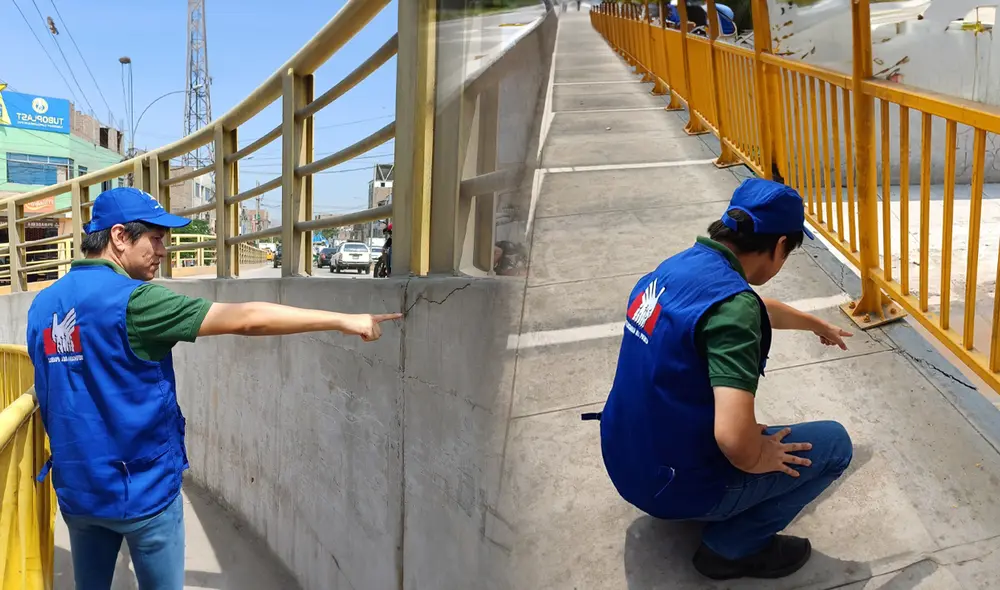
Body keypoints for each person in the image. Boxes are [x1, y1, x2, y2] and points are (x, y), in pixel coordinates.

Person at [26, 187, 402, 590]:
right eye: (155, 239)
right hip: (143, 493)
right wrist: (345, 320)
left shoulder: (43, 305)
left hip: (80, 492)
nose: (164, 251)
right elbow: (247, 319)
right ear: (119, 237)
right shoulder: (137, 302)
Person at [594, 179, 854, 581]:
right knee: (835, 443)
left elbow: (753, 306)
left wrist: (816, 325)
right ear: (780, 245)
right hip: (671, 488)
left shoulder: (679, 267)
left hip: (625, 459)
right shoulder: (734, 309)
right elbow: (734, 440)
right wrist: (759, 455)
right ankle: (731, 549)